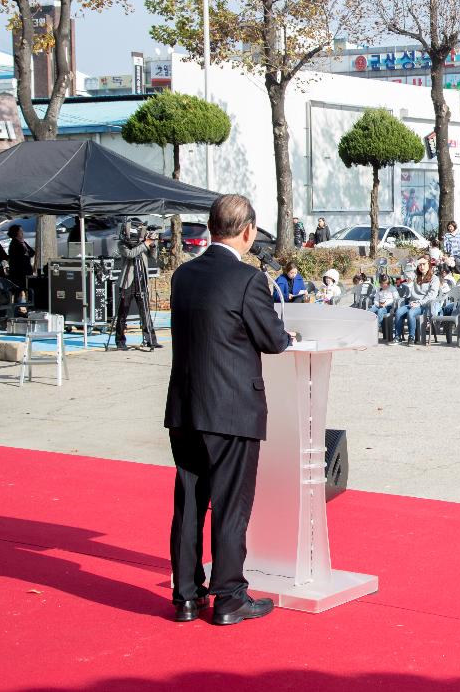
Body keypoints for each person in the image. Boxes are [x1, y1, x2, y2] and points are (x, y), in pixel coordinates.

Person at [164, 193, 294, 626]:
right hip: (231, 409)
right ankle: (229, 596)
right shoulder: (246, 279)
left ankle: (185, 596)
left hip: (185, 407)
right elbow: (274, 340)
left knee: (189, 503)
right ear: (248, 231)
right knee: (231, 504)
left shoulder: (183, 276)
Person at [114, 220, 162, 350]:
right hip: (127, 283)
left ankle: (151, 340)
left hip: (142, 281)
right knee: (123, 313)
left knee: (145, 313)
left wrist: (152, 244)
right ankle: (120, 341)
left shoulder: (143, 244)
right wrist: (145, 244)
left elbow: (153, 256)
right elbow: (131, 254)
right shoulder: (122, 244)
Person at [6, 223, 35, 290]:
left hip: (27, 271)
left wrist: (27, 251)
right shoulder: (14, 244)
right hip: (19, 273)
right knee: (19, 291)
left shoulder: (23, 242)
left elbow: (32, 253)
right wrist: (27, 252)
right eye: (20, 231)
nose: (22, 233)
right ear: (16, 233)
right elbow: (22, 255)